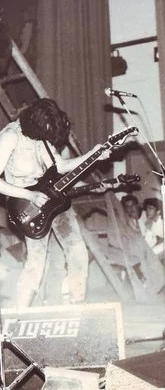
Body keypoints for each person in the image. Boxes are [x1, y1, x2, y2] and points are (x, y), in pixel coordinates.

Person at [0, 98, 110, 307]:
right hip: (26, 205)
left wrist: (93, 155)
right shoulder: (10, 137)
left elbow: (60, 166)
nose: (48, 137)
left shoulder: (42, 135)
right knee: (36, 259)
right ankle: (19, 315)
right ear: (35, 122)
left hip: (52, 198)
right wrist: (29, 195)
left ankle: (77, 303)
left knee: (77, 249)